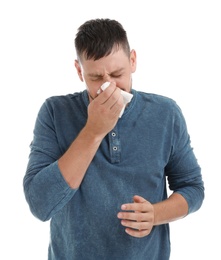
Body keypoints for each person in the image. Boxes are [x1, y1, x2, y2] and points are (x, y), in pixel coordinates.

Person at [23, 18, 204, 260]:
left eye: (117, 74)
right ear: (79, 71)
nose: (108, 87)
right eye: (96, 77)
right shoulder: (55, 112)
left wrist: (155, 215)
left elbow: (193, 188)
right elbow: (40, 204)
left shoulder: (166, 113)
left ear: (133, 61)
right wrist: (93, 131)